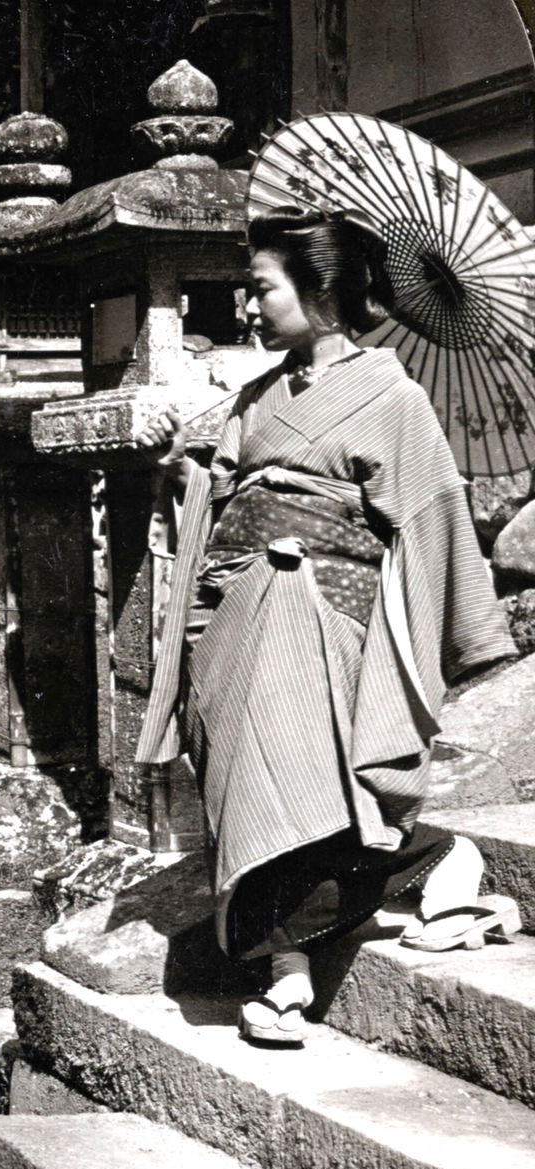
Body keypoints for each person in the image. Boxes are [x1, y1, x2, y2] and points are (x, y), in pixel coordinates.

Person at [134, 207, 518, 1046]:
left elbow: (428, 514)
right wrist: (182, 469)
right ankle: (431, 866)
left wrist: (462, 633)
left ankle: (290, 973)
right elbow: (221, 489)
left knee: (299, 783)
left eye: (261, 287)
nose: (247, 305)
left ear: (320, 290)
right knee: (244, 784)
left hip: (320, 611)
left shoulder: (391, 394)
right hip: (235, 611)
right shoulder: (258, 396)